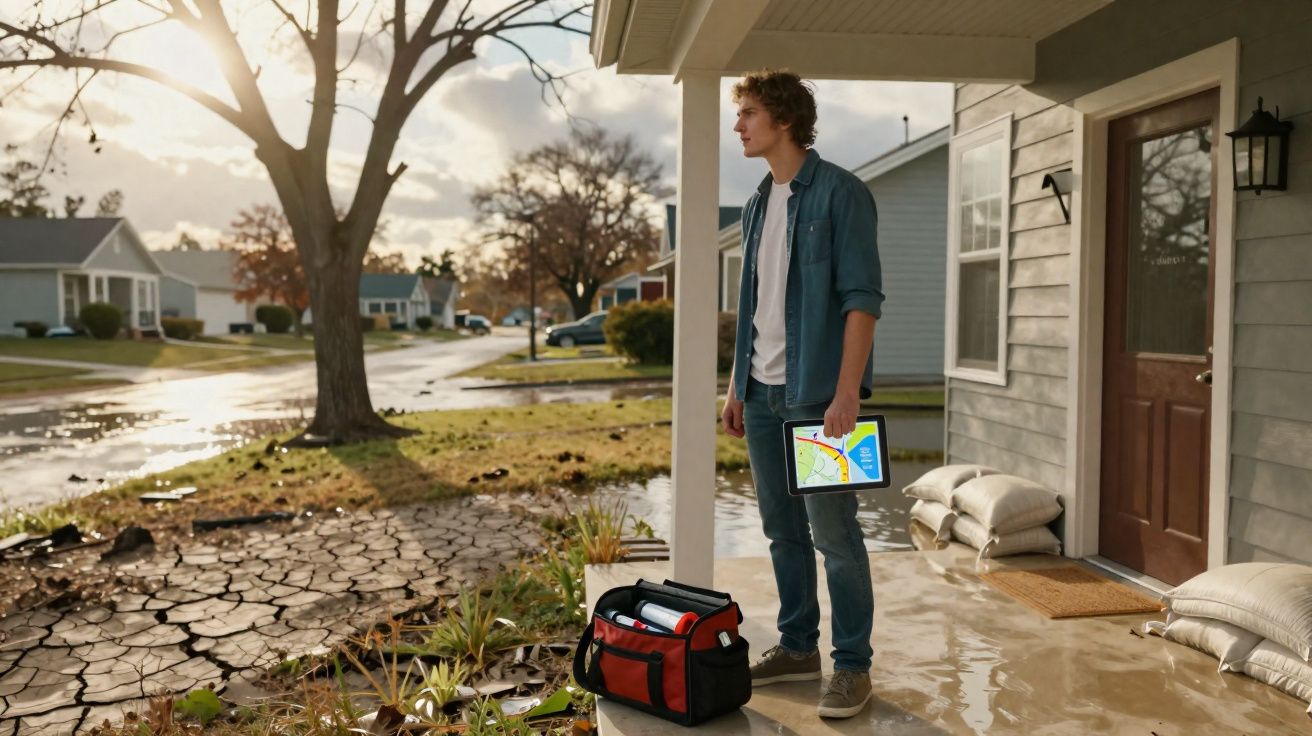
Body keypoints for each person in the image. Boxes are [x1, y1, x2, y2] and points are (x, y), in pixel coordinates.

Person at [720, 69, 884, 720]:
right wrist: (735, 386)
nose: (739, 125)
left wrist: (847, 393)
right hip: (760, 396)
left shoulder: (843, 195)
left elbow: (862, 301)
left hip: (819, 398)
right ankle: (797, 648)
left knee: (835, 536)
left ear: (784, 119)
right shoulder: (760, 202)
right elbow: (751, 303)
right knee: (780, 533)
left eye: (749, 113)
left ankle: (852, 665)